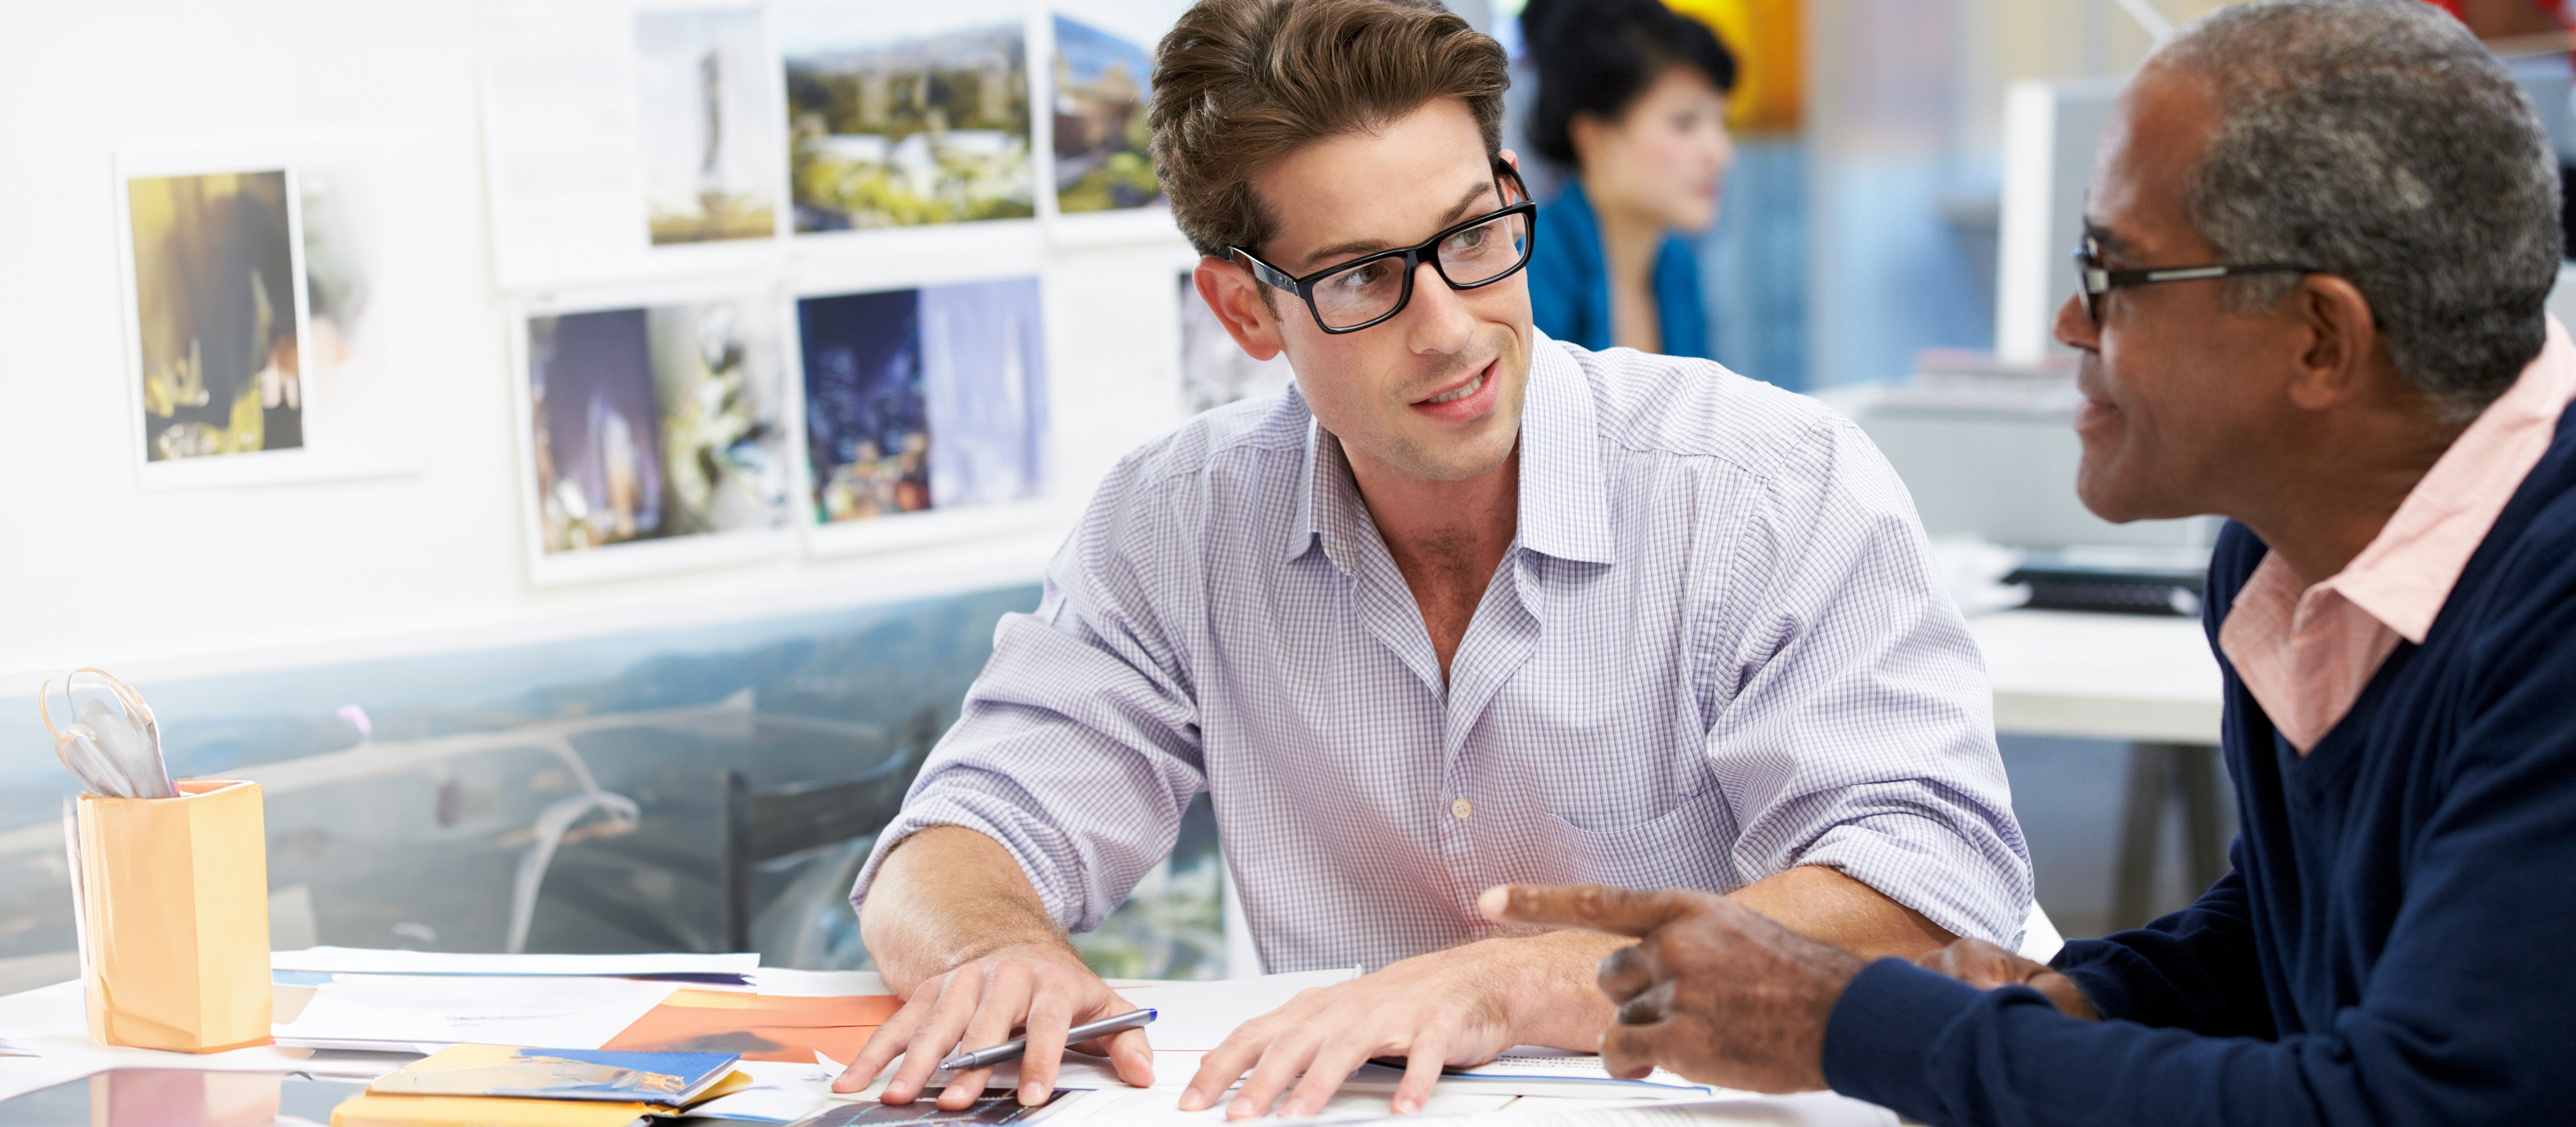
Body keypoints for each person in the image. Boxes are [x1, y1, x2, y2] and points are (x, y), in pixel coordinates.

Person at [833, 0, 2030, 1118]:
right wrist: (991, 948)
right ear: (1245, 311)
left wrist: (1518, 984)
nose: (1452, 326)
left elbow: (1928, 887)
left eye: (1472, 235)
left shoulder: (1768, 484)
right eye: (1363, 275)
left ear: (1514, 194)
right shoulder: (1179, 521)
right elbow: (958, 835)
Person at [1485, 2, 2576, 1123]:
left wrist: (1855, 1024)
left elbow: (2419, 1104)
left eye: (2114, 274)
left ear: (2318, 339)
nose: (2067, 322)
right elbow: (2289, 934)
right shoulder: (2284, 554)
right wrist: (2075, 1003)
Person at [1519, 0, 1735, 357]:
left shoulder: (1677, 264)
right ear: (1596, 140)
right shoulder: (1532, 268)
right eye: (1685, 123)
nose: (1720, 152)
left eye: (1721, 123)